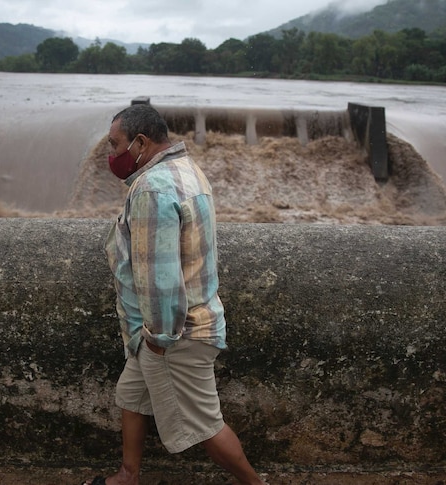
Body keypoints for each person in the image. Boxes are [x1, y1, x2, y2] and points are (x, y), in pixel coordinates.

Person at [83, 104, 265, 485]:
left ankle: (256, 484)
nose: (111, 155)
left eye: (115, 145)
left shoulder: (151, 189)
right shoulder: (186, 170)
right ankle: (127, 475)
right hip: (173, 324)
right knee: (131, 395)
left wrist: (159, 341)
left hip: (174, 334)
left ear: (141, 142)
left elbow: (159, 278)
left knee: (205, 426)